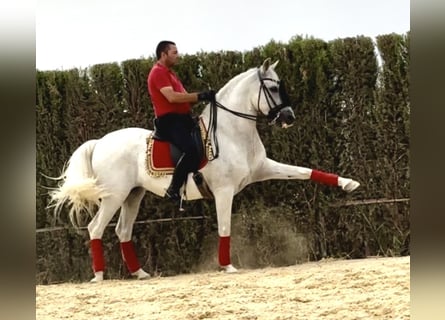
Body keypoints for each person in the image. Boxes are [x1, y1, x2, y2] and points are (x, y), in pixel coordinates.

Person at [147, 40, 215, 202]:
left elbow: (185, 98)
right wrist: (200, 95)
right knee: (190, 150)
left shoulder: (171, 74)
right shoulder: (158, 73)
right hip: (169, 122)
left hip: (182, 119)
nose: (178, 56)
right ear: (163, 54)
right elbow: (172, 97)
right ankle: (173, 188)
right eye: (174, 53)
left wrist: (206, 97)